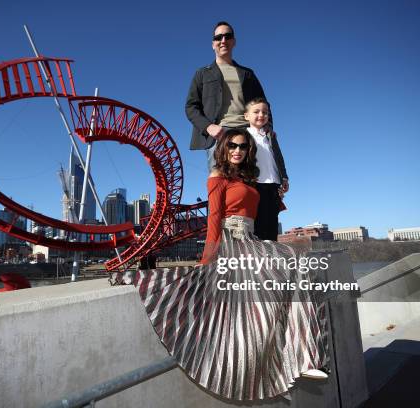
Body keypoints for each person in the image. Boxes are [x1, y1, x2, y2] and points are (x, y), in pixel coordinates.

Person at [121, 129, 328, 401]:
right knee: (287, 267)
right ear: (223, 147)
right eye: (232, 145)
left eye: (243, 146)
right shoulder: (217, 176)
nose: (237, 150)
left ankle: (304, 357)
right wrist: (209, 259)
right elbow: (214, 218)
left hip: (251, 239)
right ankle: (289, 360)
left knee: (296, 264)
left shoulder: (248, 178)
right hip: (231, 242)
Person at [185, 21, 270, 172]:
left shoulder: (248, 74)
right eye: (218, 37)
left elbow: (263, 104)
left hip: (247, 132)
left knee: (250, 185)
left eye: (227, 36)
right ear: (213, 44)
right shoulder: (202, 74)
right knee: (220, 186)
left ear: (234, 41)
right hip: (219, 135)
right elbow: (191, 107)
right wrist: (208, 127)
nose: (223, 40)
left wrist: (268, 129)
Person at [244, 97, 289, 241]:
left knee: (272, 225)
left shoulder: (271, 135)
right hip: (255, 185)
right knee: (258, 226)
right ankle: (258, 260)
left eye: (265, 112)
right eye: (256, 112)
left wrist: (284, 177)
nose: (261, 115)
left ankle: (271, 259)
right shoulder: (244, 136)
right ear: (246, 116)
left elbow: (279, 158)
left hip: (273, 185)